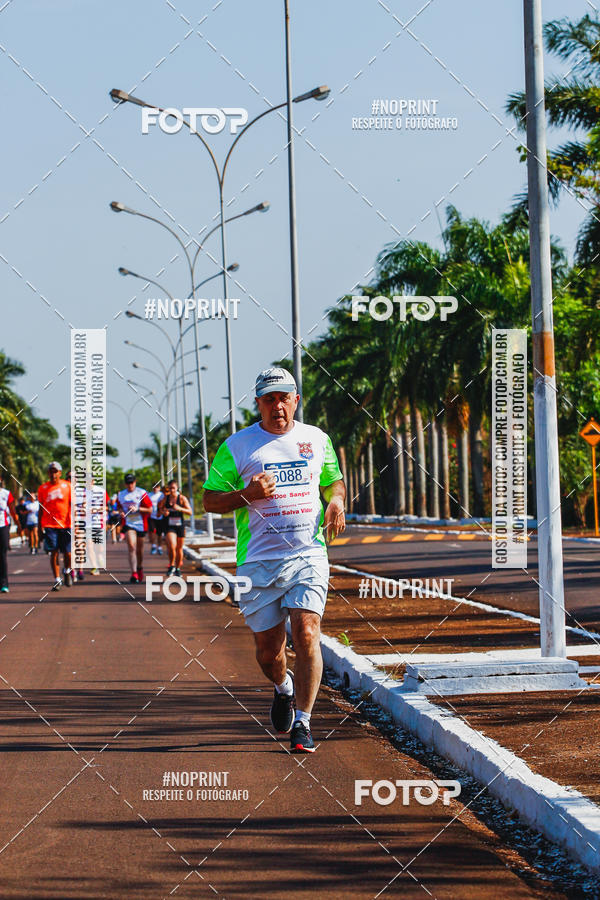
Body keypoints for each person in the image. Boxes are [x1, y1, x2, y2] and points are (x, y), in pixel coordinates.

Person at [203, 367, 346, 753]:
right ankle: (282, 689)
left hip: (308, 554)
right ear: (258, 404)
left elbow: (333, 480)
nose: (277, 405)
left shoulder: (316, 439)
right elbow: (210, 500)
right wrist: (247, 494)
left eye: (284, 397)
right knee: (269, 653)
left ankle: (304, 722)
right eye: (269, 399)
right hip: (258, 563)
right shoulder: (237, 446)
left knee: (307, 633)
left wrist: (335, 499)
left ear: (296, 400)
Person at [38, 462, 72, 591]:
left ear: (60, 473)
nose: (53, 474)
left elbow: (73, 506)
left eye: (55, 471)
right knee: (54, 552)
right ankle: (57, 579)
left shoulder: (68, 486)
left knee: (68, 553)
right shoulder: (43, 488)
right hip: (50, 524)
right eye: (51, 471)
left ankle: (67, 570)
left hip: (66, 524)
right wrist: (39, 527)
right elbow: (40, 509)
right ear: (48, 473)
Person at [116, 473, 152, 583]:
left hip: (141, 524)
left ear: (135, 482)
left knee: (140, 550)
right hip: (128, 524)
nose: (130, 485)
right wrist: (122, 513)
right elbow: (119, 509)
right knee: (132, 546)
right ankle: (134, 572)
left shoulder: (142, 493)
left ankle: (139, 567)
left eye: (131, 482)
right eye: (128, 483)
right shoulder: (121, 495)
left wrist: (138, 509)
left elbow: (150, 509)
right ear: (125, 484)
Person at [158, 480, 191, 576]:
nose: (172, 490)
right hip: (169, 525)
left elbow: (190, 512)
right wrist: (164, 512)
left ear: (177, 488)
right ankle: (171, 565)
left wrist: (180, 508)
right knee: (172, 546)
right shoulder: (165, 498)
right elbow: (160, 510)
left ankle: (177, 568)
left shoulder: (182, 498)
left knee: (179, 548)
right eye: (170, 488)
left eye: (174, 488)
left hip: (180, 525)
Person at [0, 477, 17, 592]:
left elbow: (12, 511)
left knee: (2, 555)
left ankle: (4, 583)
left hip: (3, 526)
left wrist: (19, 525)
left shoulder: (6, 494)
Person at [148, 483, 165, 556]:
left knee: (159, 533)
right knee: (152, 532)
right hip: (151, 516)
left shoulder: (162, 495)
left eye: (157, 487)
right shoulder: (149, 495)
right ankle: (153, 546)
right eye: (154, 487)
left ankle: (160, 547)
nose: (155, 488)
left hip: (160, 516)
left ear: (159, 488)